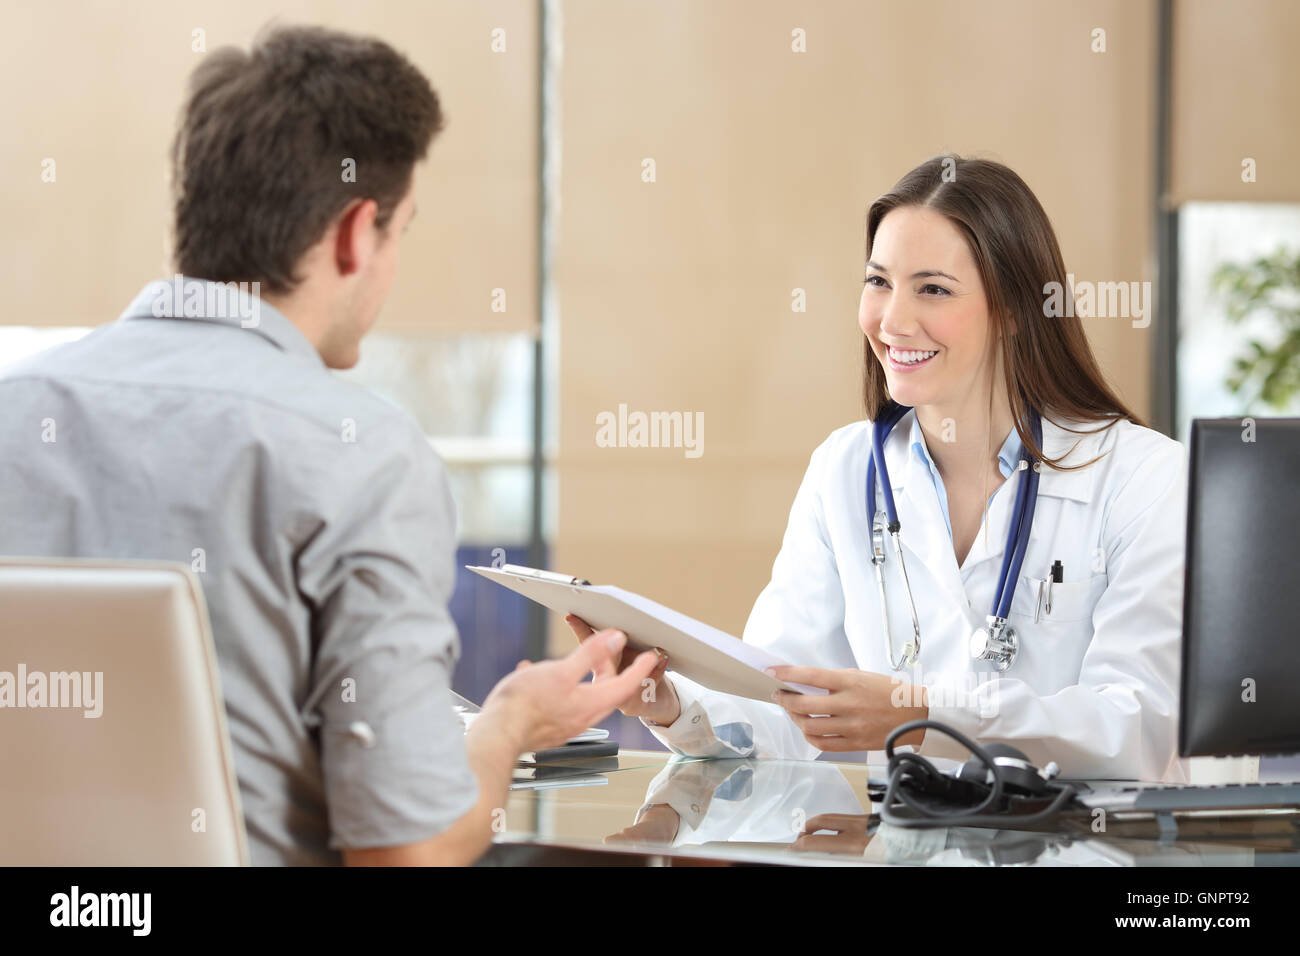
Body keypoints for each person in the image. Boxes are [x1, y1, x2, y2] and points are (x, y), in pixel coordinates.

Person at [0, 24, 656, 866]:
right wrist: (509, 726)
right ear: (355, 233)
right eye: (401, 234)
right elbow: (407, 853)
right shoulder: (361, 456)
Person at [568, 154, 1189, 783]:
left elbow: (1136, 730)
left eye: (933, 289)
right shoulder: (845, 470)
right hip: (915, 843)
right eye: (878, 281)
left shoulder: (1143, 479)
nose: (891, 321)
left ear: (1015, 310)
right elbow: (782, 702)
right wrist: (667, 703)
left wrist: (923, 718)